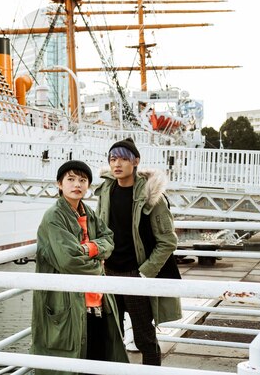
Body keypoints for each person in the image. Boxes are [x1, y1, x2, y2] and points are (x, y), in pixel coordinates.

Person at [31, 160, 129, 375]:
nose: (77, 184)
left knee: (96, 359)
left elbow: (109, 239)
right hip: (68, 303)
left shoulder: (88, 213)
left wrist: (90, 248)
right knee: (71, 364)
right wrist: (98, 261)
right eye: (71, 179)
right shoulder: (54, 217)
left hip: (96, 302)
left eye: (83, 180)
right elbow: (69, 261)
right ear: (59, 184)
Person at [94, 138, 182, 366]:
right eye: (113, 159)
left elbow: (168, 241)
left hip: (136, 275)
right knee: (111, 335)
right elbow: (98, 229)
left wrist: (144, 273)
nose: (117, 164)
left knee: (144, 337)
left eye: (124, 158)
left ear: (136, 162)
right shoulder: (105, 190)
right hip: (109, 272)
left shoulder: (152, 196)